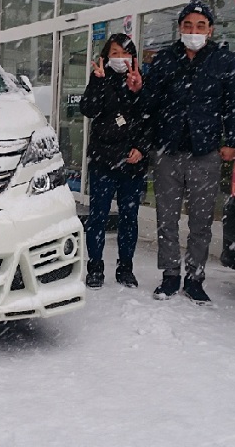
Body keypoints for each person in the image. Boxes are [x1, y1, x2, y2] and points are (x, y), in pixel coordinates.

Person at [141, 0, 235, 304]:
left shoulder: (224, 60)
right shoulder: (164, 59)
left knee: (201, 221)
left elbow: (233, 104)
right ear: (180, 28)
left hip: (205, 152)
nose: (194, 31)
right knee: (167, 219)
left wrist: (232, 141)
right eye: (188, 25)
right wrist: (139, 90)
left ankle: (195, 278)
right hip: (168, 150)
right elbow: (150, 103)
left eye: (200, 26)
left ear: (210, 30)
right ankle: (170, 275)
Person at [79, 33, 149, 289]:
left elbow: (149, 117)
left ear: (133, 56)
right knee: (97, 216)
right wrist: (97, 83)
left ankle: (125, 268)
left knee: (129, 217)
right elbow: (89, 110)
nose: (120, 58)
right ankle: (95, 267)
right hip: (103, 161)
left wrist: (141, 148)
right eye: (115, 53)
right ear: (106, 57)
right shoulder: (100, 78)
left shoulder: (140, 79)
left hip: (132, 162)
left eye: (125, 53)